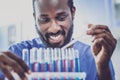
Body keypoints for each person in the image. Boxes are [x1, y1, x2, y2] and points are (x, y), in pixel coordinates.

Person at [0, 0, 117, 80]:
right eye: (44, 20)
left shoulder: (94, 57)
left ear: (73, 13)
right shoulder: (17, 54)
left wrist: (103, 67)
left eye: (61, 18)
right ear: (35, 18)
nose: (54, 28)